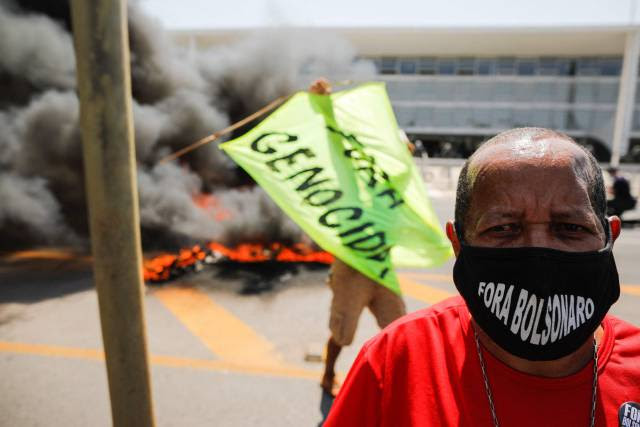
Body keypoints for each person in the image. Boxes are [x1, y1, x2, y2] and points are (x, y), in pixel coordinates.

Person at [324, 128, 640, 426]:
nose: (539, 252)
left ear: (609, 236)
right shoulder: (396, 360)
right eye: (503, 228)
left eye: (571, 228)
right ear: (458, 243)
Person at [307, 78, 407, 397]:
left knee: (399, 329)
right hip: (351, 268)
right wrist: (324, 105)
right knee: (342, 332)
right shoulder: (354, 180)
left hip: (382, 266)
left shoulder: (398, 186)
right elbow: (337, 145)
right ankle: (327, 375)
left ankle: (394, 381)